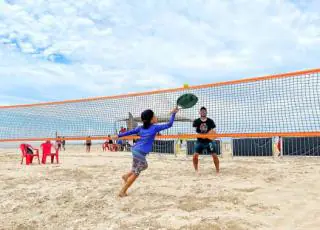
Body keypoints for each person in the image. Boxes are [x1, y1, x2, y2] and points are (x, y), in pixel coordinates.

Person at [114, 107, 179, 197]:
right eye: (155, 116)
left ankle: (126, 176)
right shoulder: (154, 128)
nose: (156, 117)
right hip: (139, 152)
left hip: (135, 150)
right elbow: (169, 124)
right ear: (151, 119)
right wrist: (173, 114)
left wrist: (118, 135)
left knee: (144, 166)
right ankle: (123, 191)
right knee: (137, 173)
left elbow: (129, 132)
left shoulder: (141, 128)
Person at [192, 106, 219, 174]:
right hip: (200, 141)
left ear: (206, 112)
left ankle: (217, 171)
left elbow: (214, 131)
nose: (203, 112)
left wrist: (213, 136)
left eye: (204, 111)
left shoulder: (210, 121)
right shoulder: (196, 121)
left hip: (209, 141)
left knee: (214, 156)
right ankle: (196, 170)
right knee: (195, 156)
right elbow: (194, 131)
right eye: (202, 111)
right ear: (199, 112)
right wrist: (202, 135)